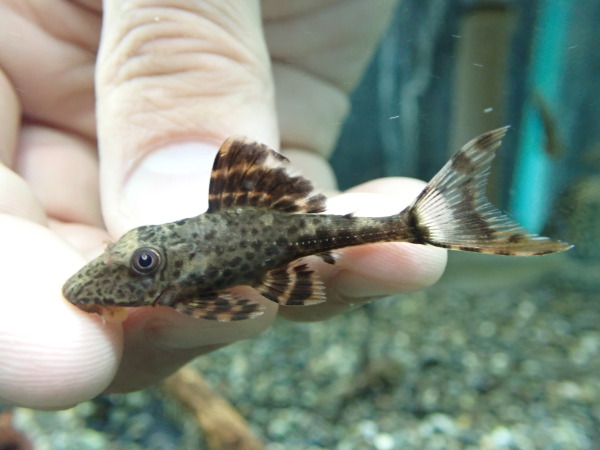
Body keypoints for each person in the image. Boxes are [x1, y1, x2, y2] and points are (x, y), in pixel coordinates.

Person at [0, 0, 446, 409]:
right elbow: (234, 307)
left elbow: (233, 308)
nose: (134, 265)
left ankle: (414, 226)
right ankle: (414, 225)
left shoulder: (181, 283)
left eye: (144, 262)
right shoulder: (175, 289)